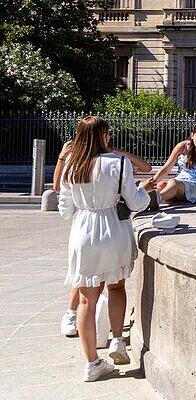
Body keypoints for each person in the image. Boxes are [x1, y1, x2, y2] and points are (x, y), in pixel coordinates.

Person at [58, 116, 151, 381]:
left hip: (83, 230)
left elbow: (65, 211)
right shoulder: (118, 163)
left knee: (87, 299)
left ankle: (91, 363)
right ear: (103, 136)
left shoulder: (71, 167)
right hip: (112, 227)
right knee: (116, 287)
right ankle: (117, 340)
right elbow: (136, 203)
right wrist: (144, 189)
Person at [144, 122, 196, 226]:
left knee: (173, 183)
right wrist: (151, 183)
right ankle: (143, 198)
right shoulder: (182, 146)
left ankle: (153, 200)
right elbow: (166, 169)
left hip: (195, 188)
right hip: (178, 184)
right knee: (161, 185)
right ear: (192, 135)